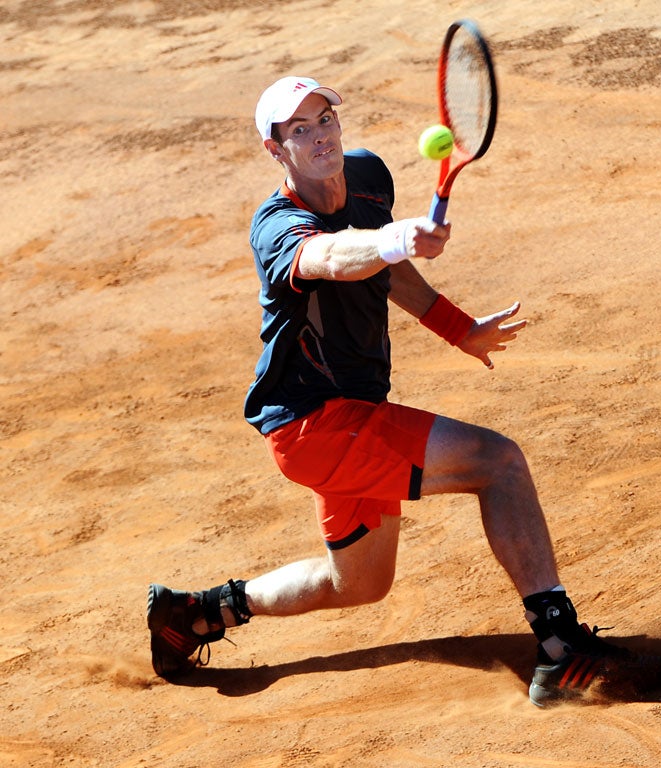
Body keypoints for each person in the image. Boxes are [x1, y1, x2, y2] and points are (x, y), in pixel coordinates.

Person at [146, 75, 630, 707]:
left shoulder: (368, 175)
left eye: (324, 120)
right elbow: (333, 258)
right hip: (316, 424)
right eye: (298, 131)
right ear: (276, 150)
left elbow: (388, 273)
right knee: (498, 463)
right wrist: (394, 237)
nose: (318, 136)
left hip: (341, 420)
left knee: (358, 583)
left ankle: (196, 613)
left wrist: (459, 329)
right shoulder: (276, 226)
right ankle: (560, 649)